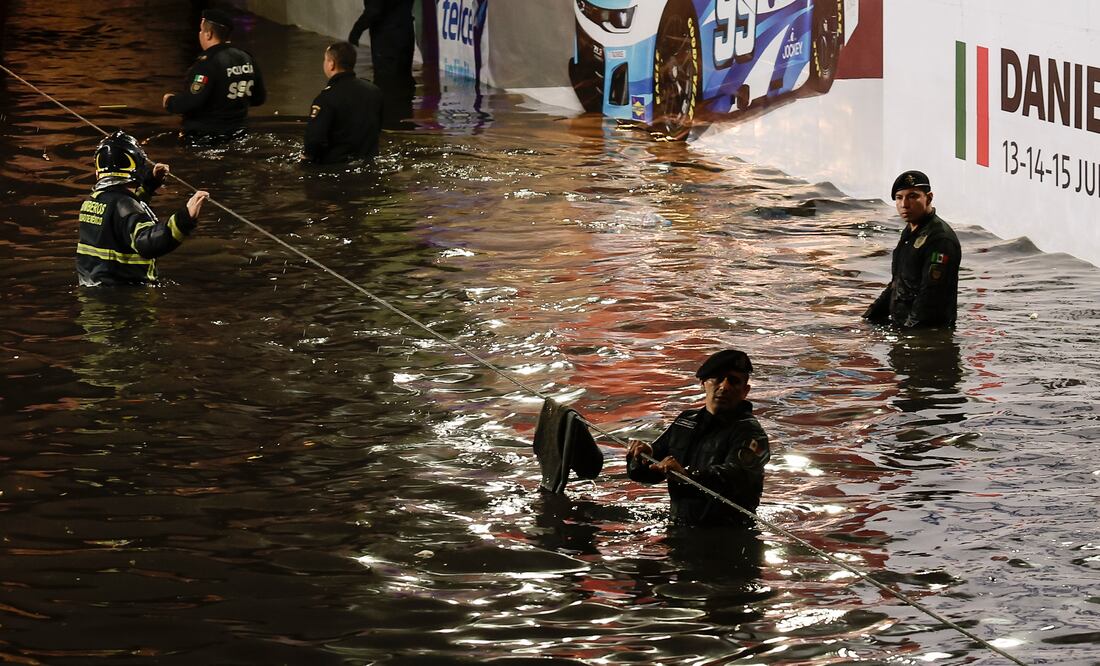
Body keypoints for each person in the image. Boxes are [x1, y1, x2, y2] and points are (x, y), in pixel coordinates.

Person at [627, 349, 771, 527]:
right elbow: (646, 475)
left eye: (734, 381)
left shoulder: (751, 434)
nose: (724, 387)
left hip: (730, 534)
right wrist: (640, 456)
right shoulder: (685, 422)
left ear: (745, 391)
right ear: (704, 383)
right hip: (680, 527)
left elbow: (735, 477)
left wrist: (687, 475)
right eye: (718, 378)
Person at [77, 131, 208, 286]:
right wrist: (184, 219)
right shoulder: (124, 204)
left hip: (93, 292)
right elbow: (146, 243)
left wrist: (150, 184)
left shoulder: (94, 199)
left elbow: (123, 217)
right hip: (124, 297)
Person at [863, 170, 962, 328]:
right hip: (905, 326)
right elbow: (898, 283)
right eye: (899, 198)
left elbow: (930, 296)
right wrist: (869, 318)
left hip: (926, 334)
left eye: (912, 196)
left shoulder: (940, 239)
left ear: (928, 198)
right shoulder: (911, 232)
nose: (904, 205)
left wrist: (906, 334)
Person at [162, 8, 266, 143]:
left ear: (208, 34)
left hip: (205, 137)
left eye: (201, 30)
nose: (199, 34)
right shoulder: (246, 58)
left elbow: (192, 101)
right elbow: (259, 98)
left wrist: (170, 101)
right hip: (239, 134)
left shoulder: (207, 63)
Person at [303, 42, 384, 164]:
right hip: (369, 162)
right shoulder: (374, 91)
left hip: (336, 166)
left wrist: (306, 159)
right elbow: (377, 128)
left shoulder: (326, 98)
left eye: (325, 59)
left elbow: (314, 140)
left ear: (331, 64)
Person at [348, 0, 415, 127]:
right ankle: (405, 121)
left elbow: (375, 9)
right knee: (403, 79)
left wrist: (356, 30)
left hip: (387, 39)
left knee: (386, 82)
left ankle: (389, 123)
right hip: (405, 33)